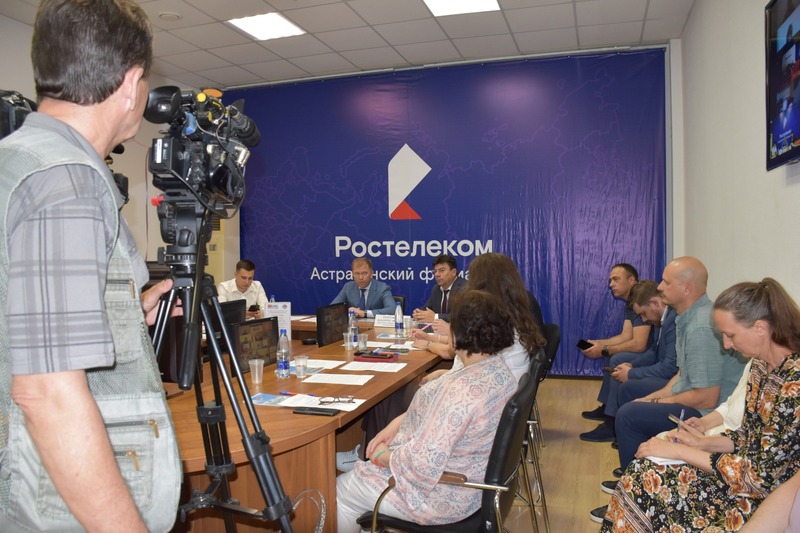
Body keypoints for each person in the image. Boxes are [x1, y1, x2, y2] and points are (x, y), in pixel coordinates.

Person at [0, 1, 181, 531]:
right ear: (130, 84)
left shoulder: (18, 158)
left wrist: (121, 313)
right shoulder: (66, 181)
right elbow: (47, 393)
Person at [602, 278, 800, 531]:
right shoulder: (760, 366)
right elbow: (748, 436)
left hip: (761, 495)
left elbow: (760, 478)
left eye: (730, 335)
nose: (727, 345)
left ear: (760, 328)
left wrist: (680, 452)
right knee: (641, 470)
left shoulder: (794, 383)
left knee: (649, 481)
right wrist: (701, 442)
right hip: (740, 474)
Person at [336, 290, 519, 531]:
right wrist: (396, 426)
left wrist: (382, 456)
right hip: (471, 484)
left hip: (443, 495)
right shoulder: (498, 371)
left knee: (341, 490)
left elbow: (422, 464)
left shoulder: (461, 391)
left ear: (461, 332)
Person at [580, 280, 678, 444]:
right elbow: (654, 351)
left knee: (626, 384)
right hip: (662, 370)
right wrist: (632, 365)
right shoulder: (661, 319)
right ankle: (611, 415)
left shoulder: (672, 321)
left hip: (671, 379)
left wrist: (631, 373)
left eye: (643, 314)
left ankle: (614, 424)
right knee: (619, 364)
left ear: (655, 303)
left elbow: (669, 368)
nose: (643, 319)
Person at [581, 263, 651, 422]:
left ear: (631, 280)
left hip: (651, 353)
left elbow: (639, 344)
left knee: (616, 358)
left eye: (616, 279)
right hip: (643, 350)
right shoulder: (630, 303)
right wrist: (599, 344)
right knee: (610, 354)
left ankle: (612, 418)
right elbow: (625, 336)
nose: (611, 284)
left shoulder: (641, 300)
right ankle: (607, 406)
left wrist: (605, 349)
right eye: (610, 280)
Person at [330, 257, 395, 317]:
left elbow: (392, 309)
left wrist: (365, 313)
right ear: (352, 274)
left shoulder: (382, 288)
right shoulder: (348, 287)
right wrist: (347, 311)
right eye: (357, 273)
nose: (360, 277)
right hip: (354, 324)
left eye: (364, 273)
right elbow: (331, 310)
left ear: (372, 273)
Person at [412, 254, 466, 323]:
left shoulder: (464, 288)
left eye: (442, 270)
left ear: (453, 272)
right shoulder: (436, 289)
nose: (437, 274)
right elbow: (427, 308)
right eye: (435, 271)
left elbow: (461, 316)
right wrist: (419, 313)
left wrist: (435, 317)